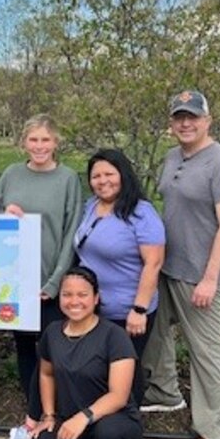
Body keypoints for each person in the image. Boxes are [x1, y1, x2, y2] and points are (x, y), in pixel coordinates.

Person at [140, 90, 220, 439]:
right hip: (167, 266)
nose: (186, 123)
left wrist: (210, 278)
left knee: (206, 351)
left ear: (207, 120)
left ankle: (215, 434)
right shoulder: (172, 157)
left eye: (192, 117)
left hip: (199, 275)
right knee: (153, 331)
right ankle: (165, 392)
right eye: (179, 117)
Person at [16, 266, 146, 439]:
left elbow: (119, 396)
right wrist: (50, 415)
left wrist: (82, 418)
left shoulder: (114, 336)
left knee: (106, 434)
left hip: (115, 421)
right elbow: (47, 374)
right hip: (71, 424)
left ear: (96, 298)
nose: (74, 301)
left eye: (82, 294)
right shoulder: (53, 332)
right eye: (67, 294)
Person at [0, 115, 83, 439]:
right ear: (23, 143)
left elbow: (70, 233)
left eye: (46, 140)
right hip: (14, 282)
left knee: (53, 352)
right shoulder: (10, 175)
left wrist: (55, 282)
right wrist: (5, 213)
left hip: (49, 284)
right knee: (25, 350)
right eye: (33, 140)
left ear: (56, 142)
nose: (40, 146)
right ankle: (33, 415)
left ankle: (55, 413)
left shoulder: (68, 179)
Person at [72, 148, 165, 404]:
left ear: (122, 174)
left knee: (124, 374)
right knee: (96, 370)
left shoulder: (141, 212)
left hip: (127, 312)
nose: (103, 181)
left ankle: (127, 426)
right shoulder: (90, 206)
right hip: (93, 308)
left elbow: (154, 263)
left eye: (109, 174)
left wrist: (139, 309)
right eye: (96, 176)